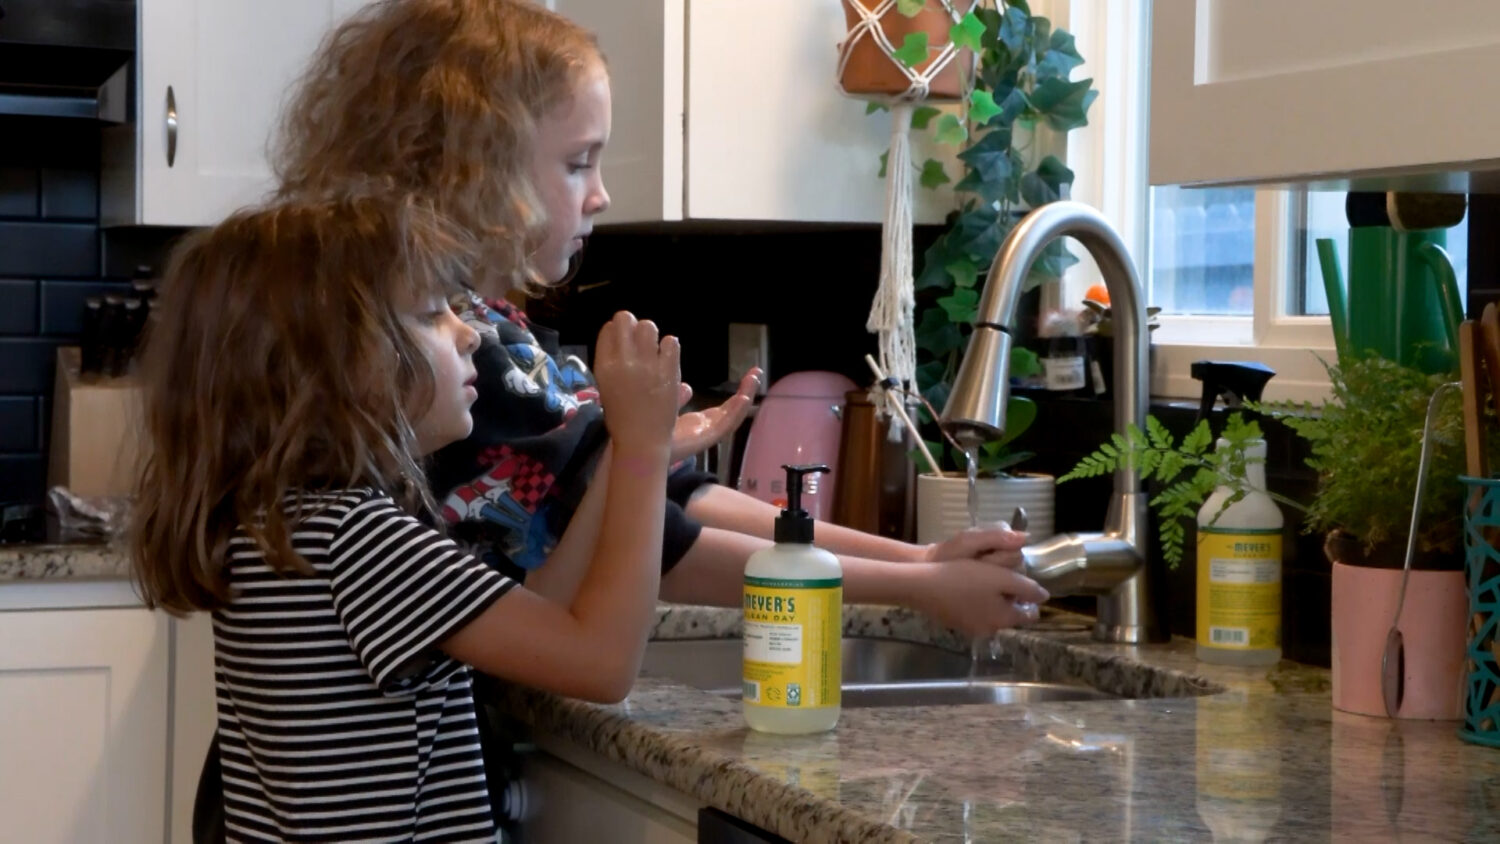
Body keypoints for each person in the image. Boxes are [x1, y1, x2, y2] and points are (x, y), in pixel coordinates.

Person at [273, 0, 1048, 635]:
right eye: (578, 162)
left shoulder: (483, 325)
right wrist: (912, 586)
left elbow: (667, 492)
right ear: (474, 164)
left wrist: (920, 563)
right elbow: (661, 542)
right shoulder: (434, 364)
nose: (601, 194)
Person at [130, 193, 683, 841]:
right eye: (431, 313)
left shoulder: (280, 523)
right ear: (336, 368)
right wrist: (647, 451)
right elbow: (600, 663)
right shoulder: (358, 540)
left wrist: (622, 449)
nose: (470, 331)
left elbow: (541, 619)